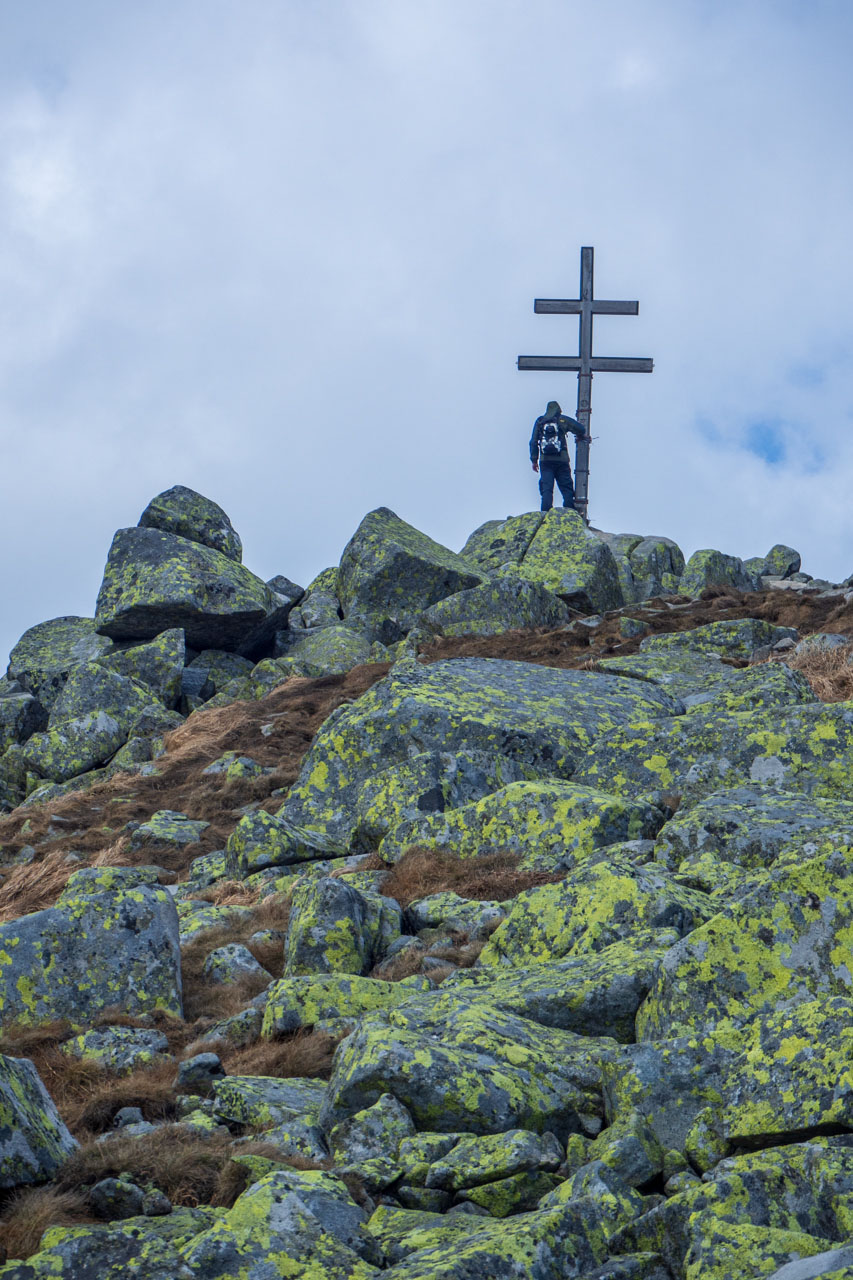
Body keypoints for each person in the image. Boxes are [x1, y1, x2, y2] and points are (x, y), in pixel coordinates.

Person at [529, 400, 585, 511]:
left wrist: (534, 460)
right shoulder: (562, 420)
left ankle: (545, 513)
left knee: (547, 488)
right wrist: (580, 435)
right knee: (566, 487)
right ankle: (569, 512)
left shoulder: (540, 421)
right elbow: (580, 429)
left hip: (545, 461)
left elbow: (533, 442)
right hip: (562, 460)